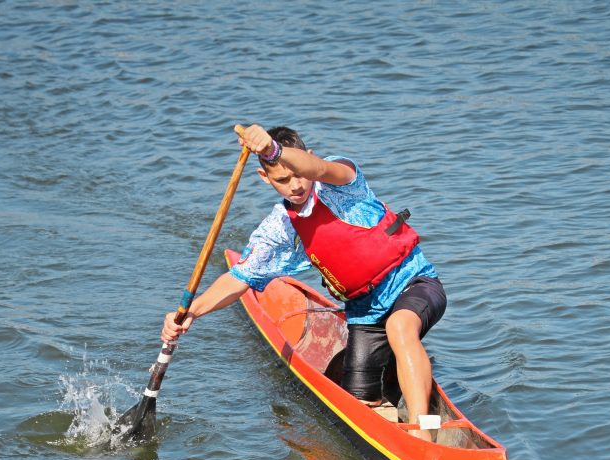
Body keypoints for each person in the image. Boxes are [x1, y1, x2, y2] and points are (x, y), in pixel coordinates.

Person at [161, 124, 446, 439]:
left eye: (298, 173)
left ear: (307, 158)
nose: (295, 185)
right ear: (265, 178)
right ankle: (397, 383)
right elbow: (240, 277)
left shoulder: (341, 182)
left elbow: (320, 169)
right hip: (365, 313)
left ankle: (425, 432)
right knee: (359, 403)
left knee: (400, 327)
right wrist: (192, 312)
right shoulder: (280, 227)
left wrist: (274, 151)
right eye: (282, 179)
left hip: (413, 283)